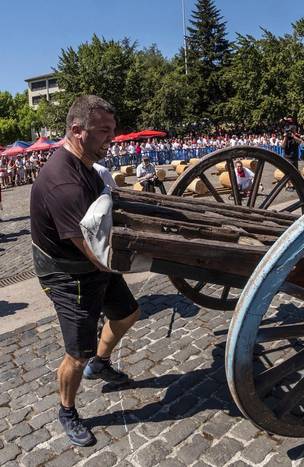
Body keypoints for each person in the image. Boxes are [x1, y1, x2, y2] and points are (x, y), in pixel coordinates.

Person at [30, 95, 141, 447]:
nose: (112, 136)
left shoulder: (87, 165)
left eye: (112, 129)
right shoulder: (64, 183)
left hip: (91, 259)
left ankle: (102, 363)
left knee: (127, 314)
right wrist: (150, 257)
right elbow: (96, 255)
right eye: (104, 131)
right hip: (67, 273)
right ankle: (67, 410)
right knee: (78, 353)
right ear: (78, 131)